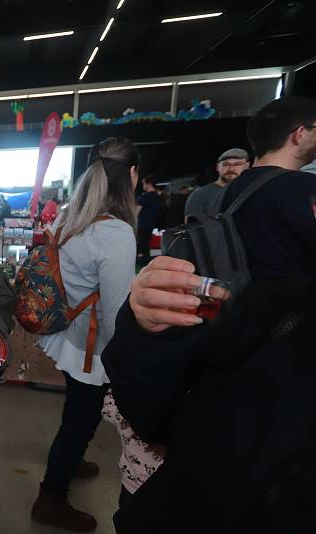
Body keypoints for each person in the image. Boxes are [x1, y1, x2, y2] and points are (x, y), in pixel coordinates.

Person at [101, 96, 316, 533]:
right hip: (213, 359)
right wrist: (145, 324)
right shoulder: (297, 201)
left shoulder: (212, 198)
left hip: (199, 344)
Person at [31, 137, 139, 532]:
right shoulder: (116, 234)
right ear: (130, 175)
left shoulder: (67, 217)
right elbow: (115, 314)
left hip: (68, 336)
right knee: (78, 423)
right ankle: (50, 497)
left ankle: (69, 463)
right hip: (92, 348)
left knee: (75, 414)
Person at [184, 148, 250, 220]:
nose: (231, 169)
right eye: (225, 164)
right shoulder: (199, 194)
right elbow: (192, 228)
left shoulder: (249, 190)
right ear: (218, 167)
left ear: (246, 166)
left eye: (237, 164)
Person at [136, 175, 161, 266]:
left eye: (143, 183)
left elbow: (136, 211)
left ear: (148, 184)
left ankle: (140, 262)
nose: (143, 185)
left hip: (141, 224)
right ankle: (147, 263)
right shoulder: (157, 196)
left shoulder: (145, 197)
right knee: (146, 245)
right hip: (151, 224)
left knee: (140, 244)